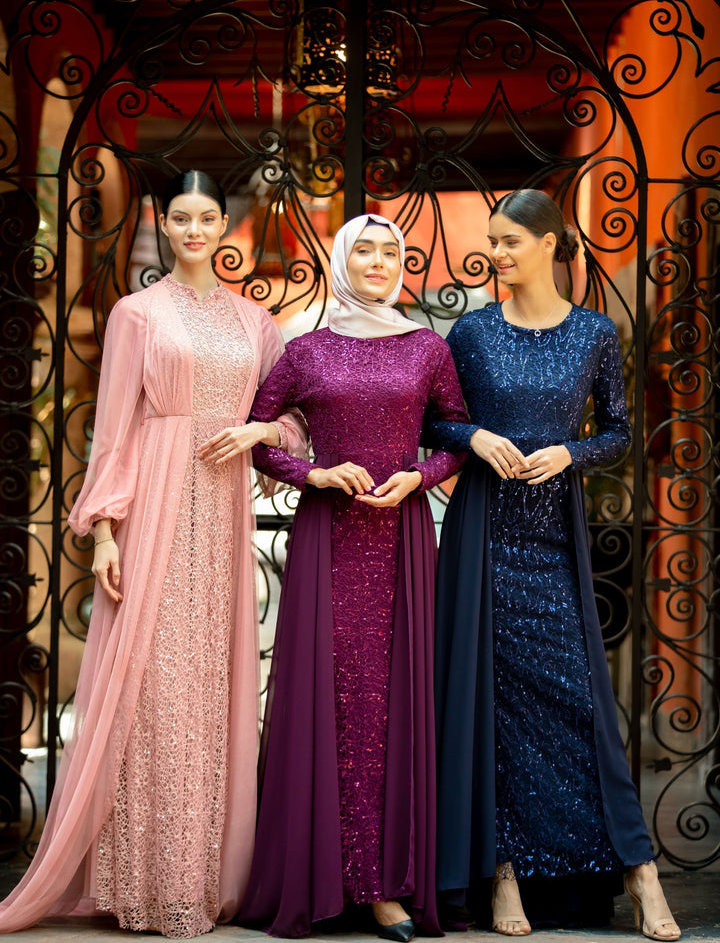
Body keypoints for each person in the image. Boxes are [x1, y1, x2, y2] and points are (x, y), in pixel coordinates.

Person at [0, 170, 306, 938]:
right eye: (181, 217)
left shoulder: (255, 323)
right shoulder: (136, 315)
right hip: (156, 511)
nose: (195, 229)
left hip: (225, 512)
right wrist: (105, 529)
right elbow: (116, 428)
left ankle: (205, 878)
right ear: (163, 226)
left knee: (211, 684)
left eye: (207, 217)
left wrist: (261, 432)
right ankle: (142, 877)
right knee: (153, 685)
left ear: (224, 225)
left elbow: (293, 424)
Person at [430, 189, 681, 940]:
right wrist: (474, 436)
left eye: (510, 241)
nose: (496, 254)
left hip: (552, 540)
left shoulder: (594, 335)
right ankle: (502, 873)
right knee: (493, 707)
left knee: (582, 707)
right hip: (483, 536)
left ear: (550, 244)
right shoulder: (470, 332)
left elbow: (620, 432)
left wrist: (570, 451)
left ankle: (640, 871)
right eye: (494, 241)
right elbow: (433, 416)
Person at [238, 213, 467, 940]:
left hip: (398, 538)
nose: (376, 260)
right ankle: (322, 874)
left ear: (403, 263)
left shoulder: (427, 348)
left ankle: (385, 884)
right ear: (341, 258)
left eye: (389, 250)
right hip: (329, 538)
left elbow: (454, 434)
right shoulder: (306, 351)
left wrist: (419, 477)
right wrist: (317, 471)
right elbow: (259, 435)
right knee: (331, 699)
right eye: (362, 248)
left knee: (390, 705)